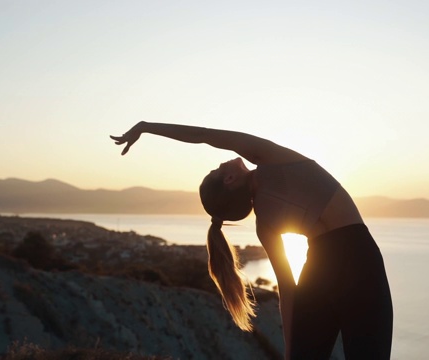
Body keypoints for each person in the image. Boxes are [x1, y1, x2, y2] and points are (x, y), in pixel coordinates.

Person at [111, 122, 393, 359]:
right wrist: (146, 128)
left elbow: (288, 290)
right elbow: (206, 136)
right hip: (359, 261)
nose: (220, 161)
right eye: (216, 170)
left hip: (318, 269)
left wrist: (291, 353)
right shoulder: (270, 157)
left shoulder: (264, 224)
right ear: (230, 178)